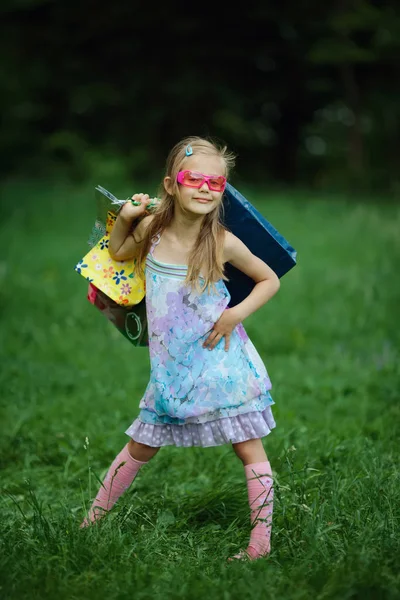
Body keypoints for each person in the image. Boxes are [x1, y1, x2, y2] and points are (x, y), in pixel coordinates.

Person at [80, 136, 281, 562]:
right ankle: (90, 522)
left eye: (217, 182)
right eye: (195, 179)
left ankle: (259, 547)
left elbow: (269, 279)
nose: (206, 188)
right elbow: (118, 251)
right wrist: (127, 216)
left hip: (221, 360)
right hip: (172, 367)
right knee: (141, 444)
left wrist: (234, 315)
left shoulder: (221, 241)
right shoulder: (153, 229)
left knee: (248, 445)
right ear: (171, 184)